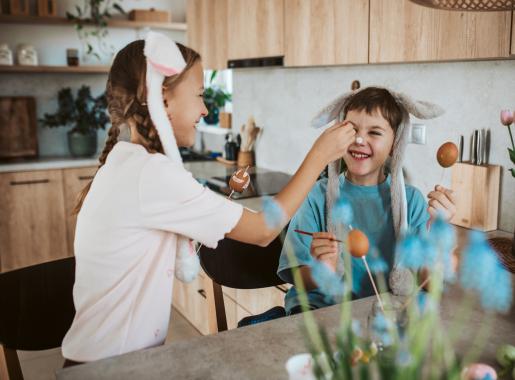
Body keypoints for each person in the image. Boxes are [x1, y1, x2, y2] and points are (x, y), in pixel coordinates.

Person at [61, 32, 356, 365]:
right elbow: (262, 230)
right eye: (199, 95)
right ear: (162, 99)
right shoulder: (152, 174)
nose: (204, 108)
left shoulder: (124, 161)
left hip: (99, 359)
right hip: (110, 368)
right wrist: (319, 155)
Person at [277, 86, 459, 315]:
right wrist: (319, 270)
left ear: (395, 145)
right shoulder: (315, 196)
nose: (360, 139)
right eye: (352, 129)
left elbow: (430, 284)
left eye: (374, 132)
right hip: (320, 312)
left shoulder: (411, 201)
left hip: (383, 315)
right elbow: (298, 278)